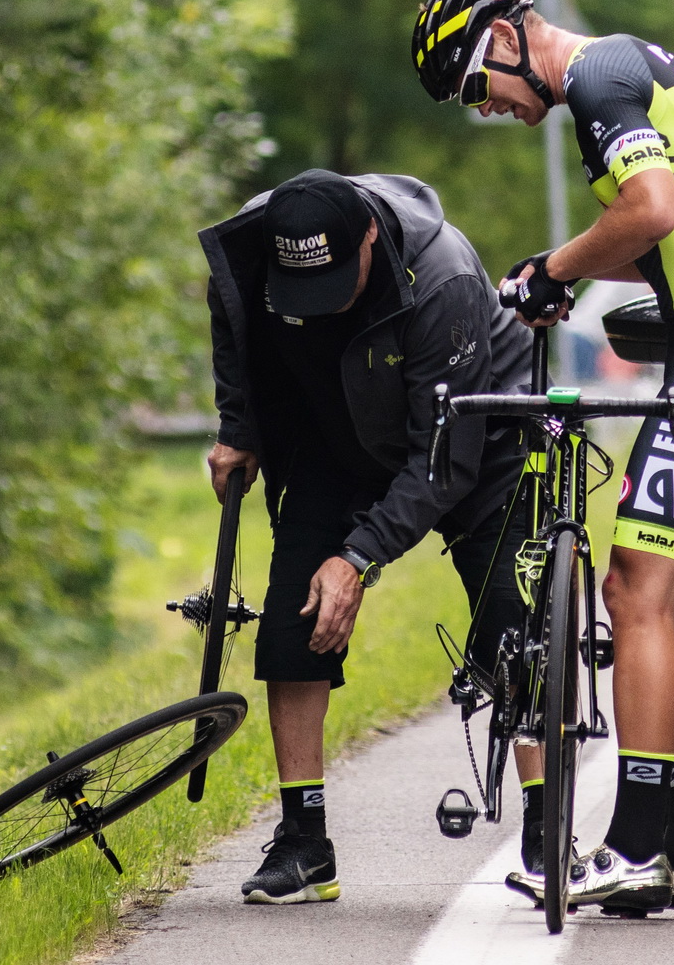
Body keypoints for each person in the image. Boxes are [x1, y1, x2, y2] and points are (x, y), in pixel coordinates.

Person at [411, 0, 674, 920]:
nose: (487, 110)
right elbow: (671, 233)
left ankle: (632, 849)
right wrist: (561, 274)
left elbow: (650, 211)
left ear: (505, 38)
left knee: (633, 590)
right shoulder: (639, 67)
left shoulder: (596, 78)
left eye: (475, 87)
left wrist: (553, 268)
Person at [201, 167, 536, 903]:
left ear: (370, 240)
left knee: (516, 631)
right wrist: (238, 425)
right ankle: (304, 841)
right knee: (292, 625)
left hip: (477, 440)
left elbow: (444, 464)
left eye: (333, 287)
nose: (319, 307)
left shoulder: (442, 279)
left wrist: (358, 557)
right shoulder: (257, 241)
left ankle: (546, 831)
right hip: (337, 432)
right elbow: (234, 321)